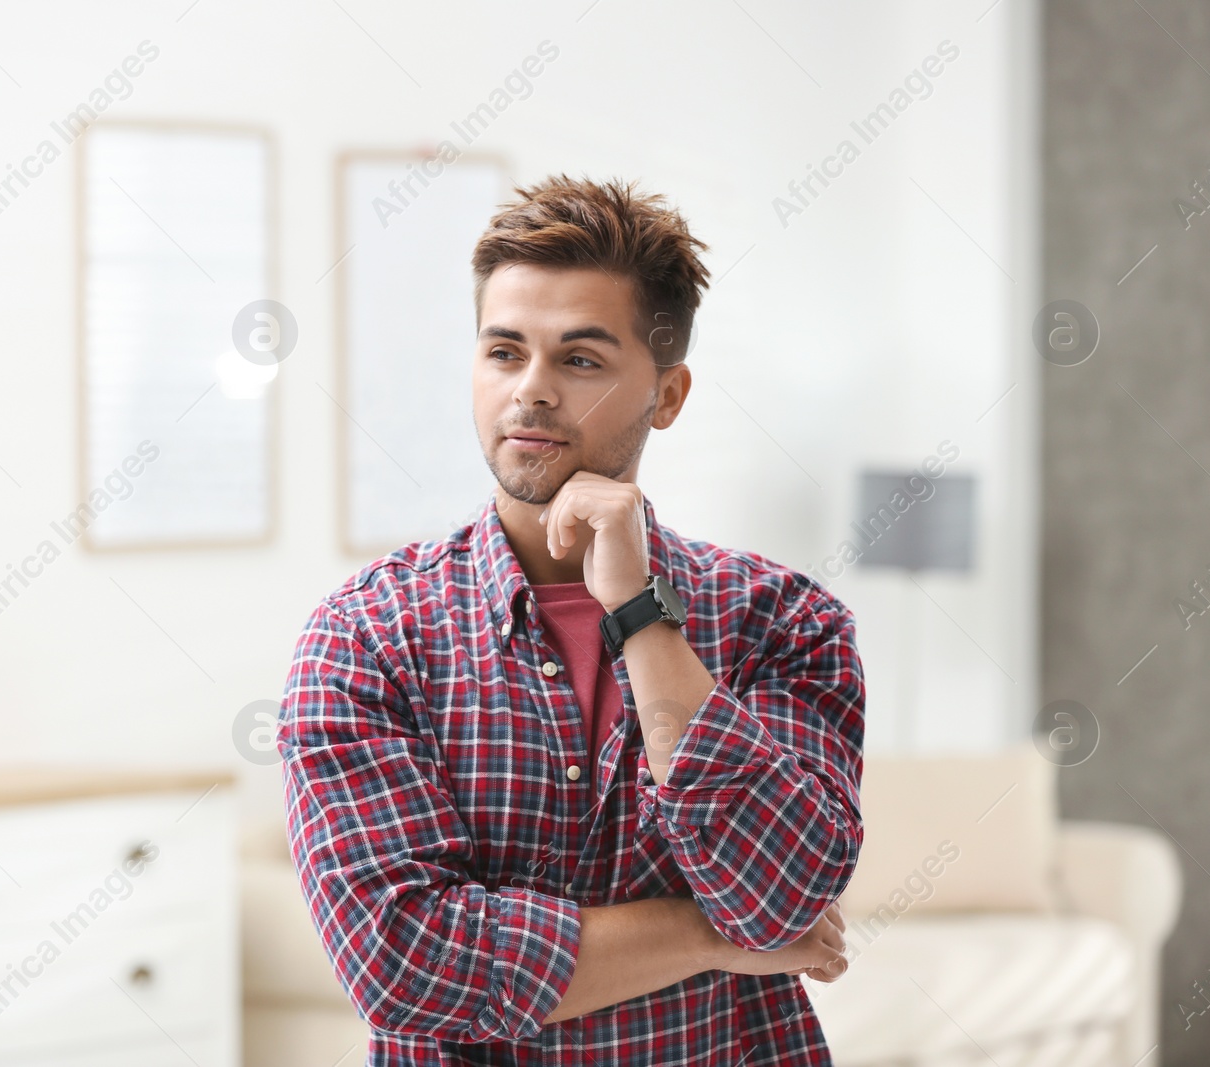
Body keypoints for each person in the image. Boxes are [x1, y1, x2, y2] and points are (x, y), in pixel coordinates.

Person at [279, 174, 865, 1066]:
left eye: (580, 359)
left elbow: (783, 899)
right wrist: (709, 937)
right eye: (504, 352)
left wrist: (640, 613)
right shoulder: (367, 636)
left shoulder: (782, 621)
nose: (532, 391)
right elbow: (402, 964)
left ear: (667, 396)